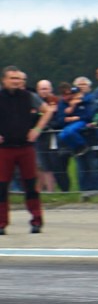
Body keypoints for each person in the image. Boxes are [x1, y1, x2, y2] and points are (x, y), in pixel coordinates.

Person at [0, 66, 54, 234]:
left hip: (25, 147)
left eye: (18, 78)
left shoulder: (29, 96)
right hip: (4, 149)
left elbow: (48, 110)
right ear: (4, 80)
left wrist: (37, 129)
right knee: (2, 186)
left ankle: (36, 220)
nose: (16, 82)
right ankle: (1, 223)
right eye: (12, 78)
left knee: (30, 184)